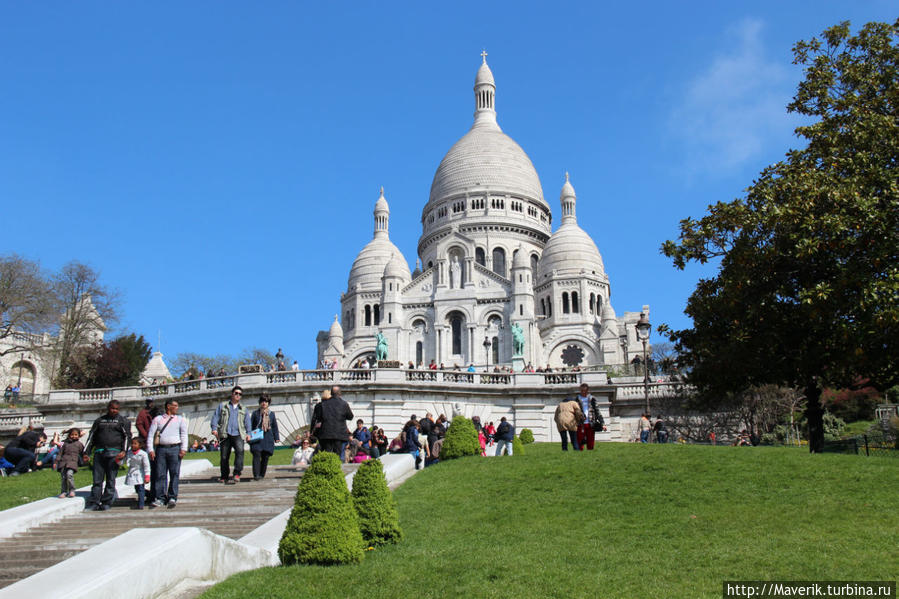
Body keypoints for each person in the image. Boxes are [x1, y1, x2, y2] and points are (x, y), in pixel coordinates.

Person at [84, 400, 131, 511]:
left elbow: (127, 437)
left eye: (116, 409)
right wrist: (87, 452)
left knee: (111, 479)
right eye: (112, 408)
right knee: (97, 480)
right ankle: (94, 502)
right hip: (99, 452)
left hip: (114, 453)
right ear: (108, 408)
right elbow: (91, 437)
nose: (114, 410)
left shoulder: (122, 421)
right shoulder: (99, 421)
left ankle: (106, 502)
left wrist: (124, 451)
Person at [147, 399, 188, 508]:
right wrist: (150, 449)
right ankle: (160, 497)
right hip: (161, 449)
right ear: (168, 406)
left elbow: (184, 435)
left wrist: (183, 449)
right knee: (160, 474)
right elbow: (150, 435)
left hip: (175, 448)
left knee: (174, 473)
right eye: (175, 405)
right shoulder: (158, 419)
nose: (177, 408)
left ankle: (172, 496)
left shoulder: (180, 419)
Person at [211, 386, 251, 484]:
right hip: (225, 433)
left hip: (238, 434)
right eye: (236, 393)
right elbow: (215, 417)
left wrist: (249, 433)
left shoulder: (243, 409)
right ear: (232, 394)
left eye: (240, 394)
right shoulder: (223, 406)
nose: (238, 395)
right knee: (224, 456)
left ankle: (237, 473)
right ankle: (224, 476)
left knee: (240, 452)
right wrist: (214, 428)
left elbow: (247, 422)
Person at [310, 386, 353, 457]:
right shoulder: (344, 404)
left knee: (326, 454)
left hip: (326, 434)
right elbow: (350, 417)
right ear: (340, 393)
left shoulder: (323, 404)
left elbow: (317, 418)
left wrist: (312, 432)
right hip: (339, 434)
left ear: (331, 393)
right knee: (337, 455)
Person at [248, 393, 281, 480]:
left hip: (268, 437)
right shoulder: (255, 414)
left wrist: (276, 437)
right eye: (262, 401)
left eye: (266, 401)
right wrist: (248, 435)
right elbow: (251, 426)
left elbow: (274, 426)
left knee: (265, 457)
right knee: (256, 455)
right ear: (260, 402)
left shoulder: (271, 414)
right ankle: (256, 475)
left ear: (268, 403)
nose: (264, 403)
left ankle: (262, 474)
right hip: (257, 438)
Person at [135, 398, 159, 502]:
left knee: (155, 470)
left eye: (152, 402)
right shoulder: (142, 413)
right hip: (145, 443)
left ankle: (154, 493)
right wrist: (147, 436)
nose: (150, 404)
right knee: (142, 469)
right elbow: (139, 425)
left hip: (155, 443)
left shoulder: (157, 413)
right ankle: (146, 492)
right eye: (149, 402)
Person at [576, 383, 606, 451]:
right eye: (582, 391)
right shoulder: (577, 399)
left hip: (590, 423)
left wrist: (603, 424)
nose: (583, 392)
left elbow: (597, 411)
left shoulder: (592, 398)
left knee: (590, 440)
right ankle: (579, 454)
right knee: (580, 440)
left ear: (587, 391)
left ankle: (590, 453)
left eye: (585, 391)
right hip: (581, 423)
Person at [55, 428, 84, 497]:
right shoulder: (65, 443)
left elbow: (83, 452)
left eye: (76, 435)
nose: (74, 436)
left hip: (72, 462)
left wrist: (86, 458)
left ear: (78, 435)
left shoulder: (79, 444)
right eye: (72, 435)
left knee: (69, 475)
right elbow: (60, 453)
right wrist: (56, 461)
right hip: (63, 462)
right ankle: (64, 491)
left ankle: (72, 490)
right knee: (63, 477)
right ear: (69, 435)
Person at [125, 438, 151, 509]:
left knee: (140, 489)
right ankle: (151, 495)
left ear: (140, 445)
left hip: (140, 472)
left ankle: (141, 504)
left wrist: (147, 476)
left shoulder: (143, 454)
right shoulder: (129, 452)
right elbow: (126, 462)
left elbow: (146, 466)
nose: (133, 445)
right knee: (137, 489)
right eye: (132, 443)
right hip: (132, 473)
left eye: (135, 444)